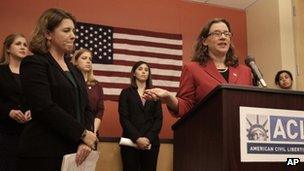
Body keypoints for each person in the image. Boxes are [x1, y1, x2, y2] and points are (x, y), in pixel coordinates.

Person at [18, 8, 97, 171]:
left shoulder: (75, 70)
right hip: (44, 152)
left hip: (75, 151)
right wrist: (82, 133)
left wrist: (86, 139)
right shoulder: (34, 63)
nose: (73, 35)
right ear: (48, 34)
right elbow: (44, 107)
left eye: (73, 31)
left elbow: (87, 108)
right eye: (66, 30)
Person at [144, 18, 253, 117]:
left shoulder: (245, 71)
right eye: (216, 33)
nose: (223, 37)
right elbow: (187, 106)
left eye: (226, 33)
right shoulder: (192, 69)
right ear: (205, 41)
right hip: (208, 131)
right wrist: (169, 98)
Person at [119, 61, 163, 171]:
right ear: (134, 73)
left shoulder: (155, 94)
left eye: (146, 70)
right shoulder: (126, 92)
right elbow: (124, 118)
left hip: (151, 143)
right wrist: (137, 138)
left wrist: (148, 138)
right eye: (140, 69)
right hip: (130, 142)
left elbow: (158, 119)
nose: (143, 72)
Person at [0, 33, 32, 171]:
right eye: (18, 44)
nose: (23, 47)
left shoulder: (32, 73)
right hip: (4, 133)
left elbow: (40, 99)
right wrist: (9, 112)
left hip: (29, 133)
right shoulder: (1, 71)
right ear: (8, 48)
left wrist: (34, 111)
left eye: (25, 45)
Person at [71, 48, 105, 134]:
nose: (88, 61)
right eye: (84, 58)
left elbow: (100, 110)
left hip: (92, 131)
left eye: (90, 59)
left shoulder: (97, 85)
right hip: (73, 130)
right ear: (75, 62)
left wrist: (93, 130)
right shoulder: (70, 82)